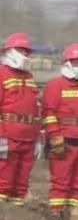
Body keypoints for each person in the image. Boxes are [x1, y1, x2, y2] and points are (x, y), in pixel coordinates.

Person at [42, 43, 78, 220]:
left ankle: (74, 213)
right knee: (61, 180)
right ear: (66, 63)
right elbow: (49, 113)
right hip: (65, 142)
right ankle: (56, 212)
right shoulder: (55, 86)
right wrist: (55, 137)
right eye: (75, 62)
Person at [0, 33, 40, 207]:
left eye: (26, 52)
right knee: (4, 176)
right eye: (20, 50)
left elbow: (35, 108)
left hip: (28, 135)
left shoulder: (29, 77)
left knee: (22, 179)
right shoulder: (2, 74)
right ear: (9, 51)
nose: (25, 55)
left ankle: (17, 212)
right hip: (8, 134)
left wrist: (39, 136)